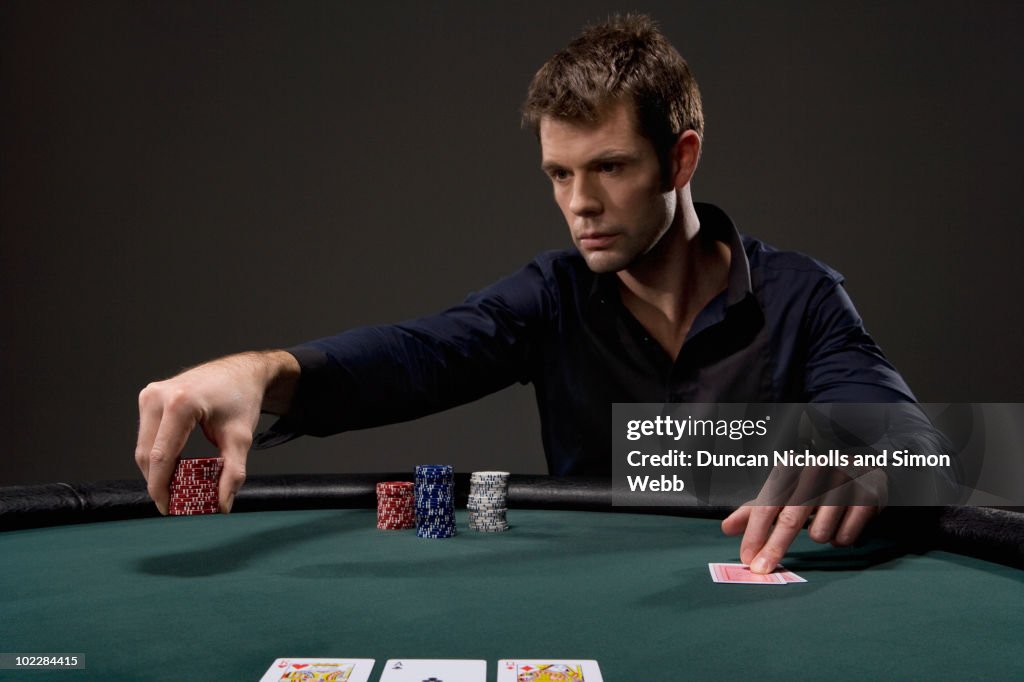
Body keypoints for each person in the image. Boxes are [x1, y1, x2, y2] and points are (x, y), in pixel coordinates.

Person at [136, 15, 917, 574]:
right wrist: (260, 373)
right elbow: (419, 355)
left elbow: (912, 437)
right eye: (559, 174)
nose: (580, 203)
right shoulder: (552, 296)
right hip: (598, 605)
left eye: (608, 167)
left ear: (681, 161)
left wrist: (862, 447)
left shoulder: (800, 296)